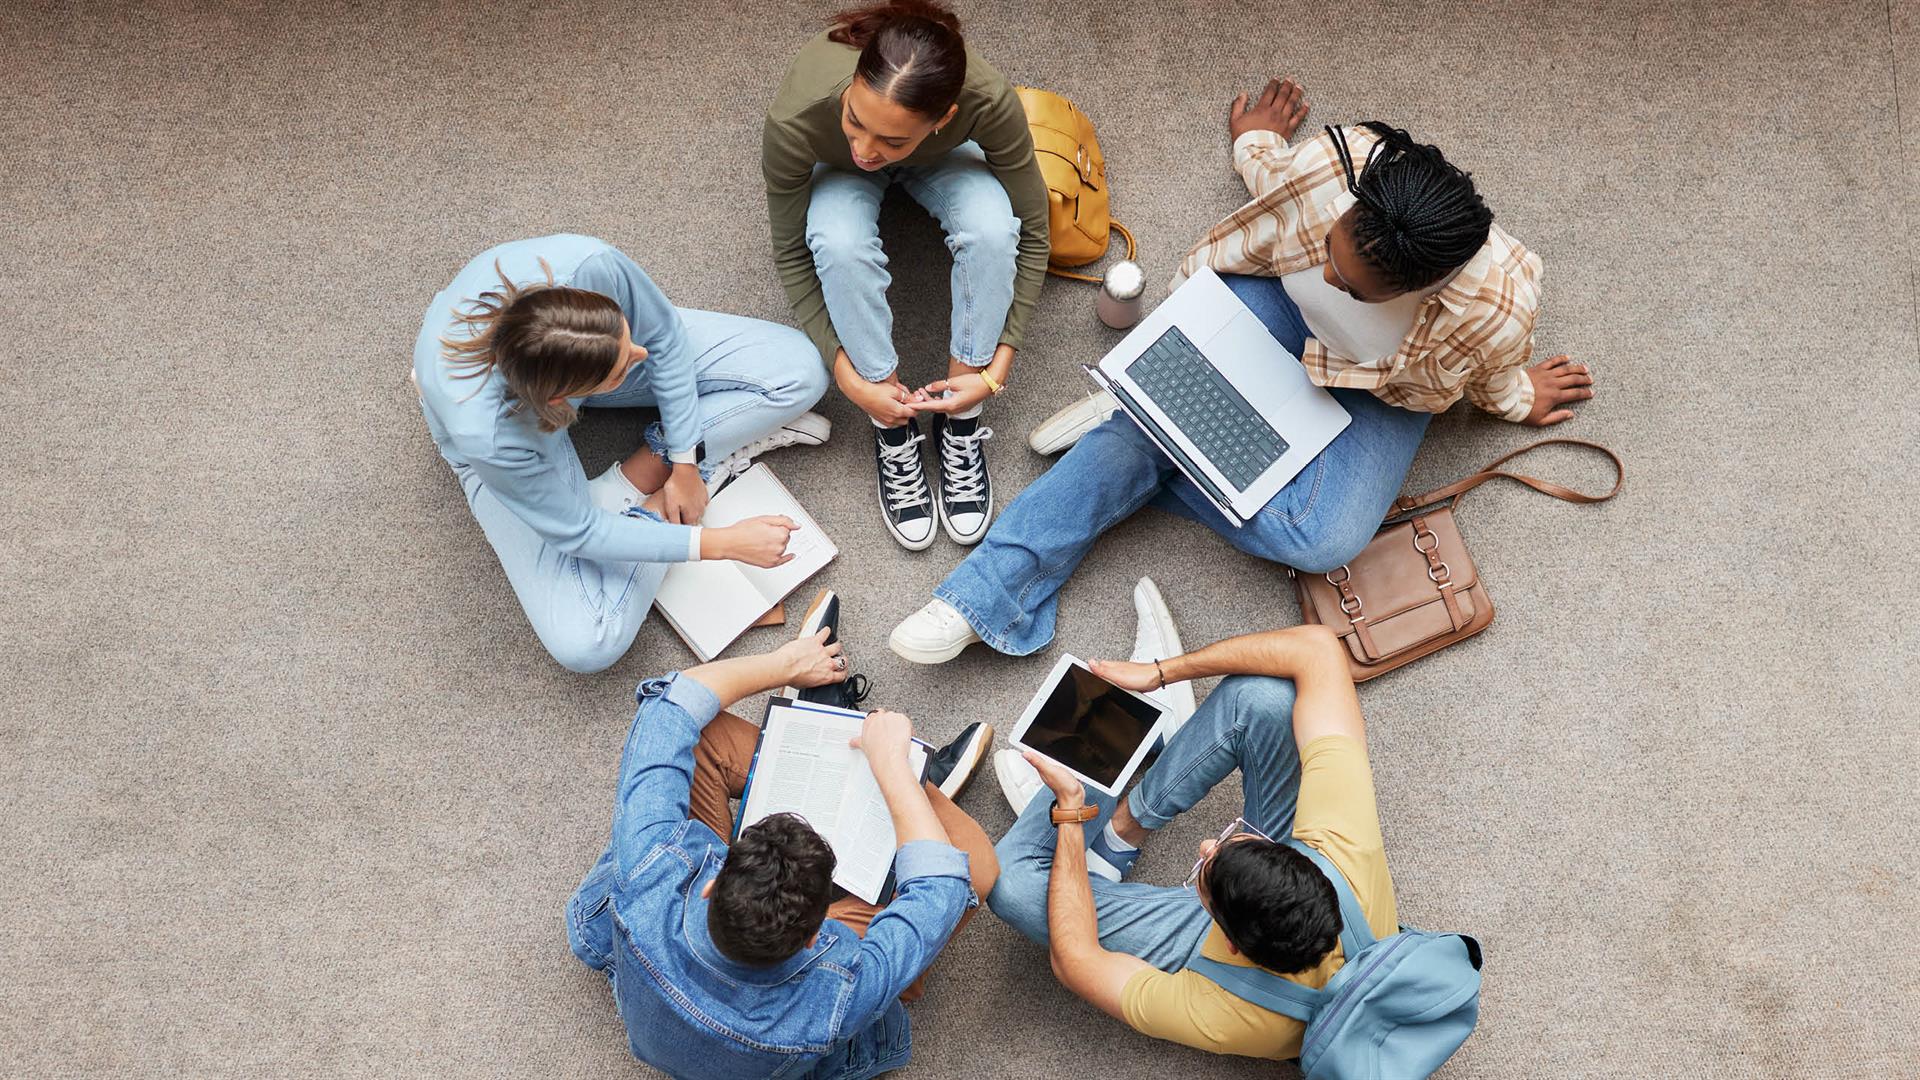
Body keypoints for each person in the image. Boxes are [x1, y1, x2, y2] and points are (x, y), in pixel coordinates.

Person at [888, 77, 1596, 663]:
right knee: (1175, 442)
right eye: (1330, 248)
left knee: (1322, 540)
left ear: (1422, 286)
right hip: (1264, 306)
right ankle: (982, 594)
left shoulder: (1497, 309)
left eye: (1350, 285)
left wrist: (1515, 395)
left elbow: (1489, 371)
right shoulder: (1339, 163)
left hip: (1379, 385)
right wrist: (1254, 140)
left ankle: (1145, 424)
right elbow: (1275, 178)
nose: (1326, 271)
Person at [564, 595, 997, 1079]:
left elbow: (671, 708)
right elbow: (944, 886)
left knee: (702, 736)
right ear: (817, 935)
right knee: (975, 862)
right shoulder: (834, 997)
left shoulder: (653, 870)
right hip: (795, 1038)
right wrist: (894, 767)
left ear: (712, 882)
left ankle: (829, 740)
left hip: (646, 975)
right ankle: (902, 778)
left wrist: (785, 662)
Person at [413, 234, 831, 673]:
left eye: (625, 336)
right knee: (588, 643)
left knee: (801, 372)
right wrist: (717, 543)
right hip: (513, 436)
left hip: (572, 371)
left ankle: (654, 467)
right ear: (564, 399)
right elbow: (579, 532)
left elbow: (663, 339)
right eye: (622, 367)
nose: (642, 354)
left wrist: (686, 462)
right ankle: (654, 502)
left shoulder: (588, 265)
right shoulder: (490, 438)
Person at [986, 623, 1398, 1061]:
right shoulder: (1344, 841)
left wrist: (1070, 808)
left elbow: (1075, 962)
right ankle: (1119, 835)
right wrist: (1161, 673)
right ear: (1302, 858)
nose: (1205, 844)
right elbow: (1317, 647)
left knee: (1011, 883)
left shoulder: (1226, 1013)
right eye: (1229, 840)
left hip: (1254, 976)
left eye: (1203, 872)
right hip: (1300, 911)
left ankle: (1095, 767)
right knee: (1263, 698)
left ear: (1229, 944)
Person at [764, 0, 1049, 550]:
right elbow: (792, 253)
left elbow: (1034, 231)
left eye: (890, 140)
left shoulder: (987, 101)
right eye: (855, 119)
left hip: (941, 157)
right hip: (833, 170)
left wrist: (995, 370)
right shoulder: (797, 120)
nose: (868, 150)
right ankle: (889, 417)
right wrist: (849, 377)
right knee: (836, 243)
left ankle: (960, 403)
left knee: (993, 231)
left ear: (944, 118)